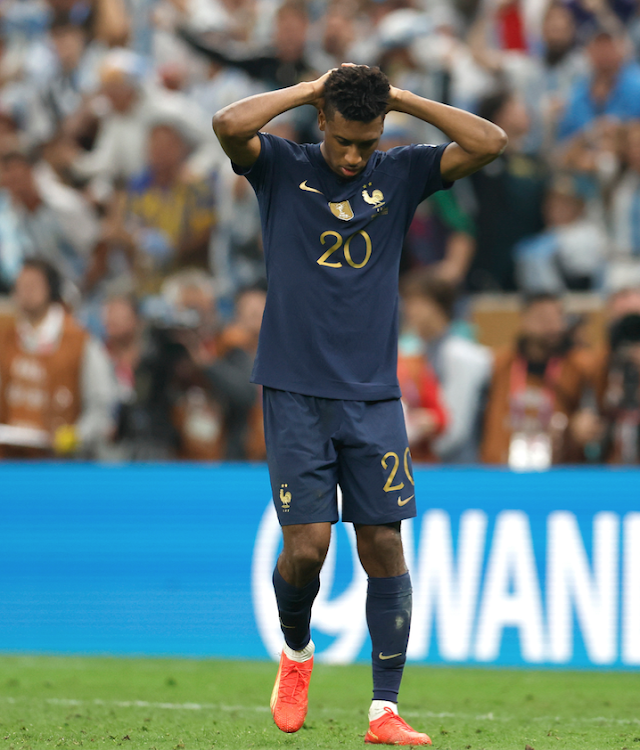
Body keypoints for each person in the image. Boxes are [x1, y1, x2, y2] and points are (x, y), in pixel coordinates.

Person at [212, 63, 506, 744]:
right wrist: (313, 87)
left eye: (366, 143)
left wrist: (398, 98)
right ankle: (296, 651)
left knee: (382, 541)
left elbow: (489, 142)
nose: (352, 156)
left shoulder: (399, 172)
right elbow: (228, 124)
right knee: (308, 550)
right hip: (293, 387)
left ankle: (384, 711)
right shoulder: (281, 166)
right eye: (343, 141)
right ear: (322, 124)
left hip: (372, 393)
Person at [0, 259, 116, 459]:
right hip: (9, 459)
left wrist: (78, 435)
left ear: (51, 289)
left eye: (33, 285)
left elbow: (102, 403)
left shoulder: (80, 341)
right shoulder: (5, 335)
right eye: (21, 285)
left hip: (60, 462)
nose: (25, 291)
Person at [401, 271, 493, 463]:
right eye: (407, 302)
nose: (409, 310)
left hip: (458, 470)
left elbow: (455, 430)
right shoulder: (415, 352)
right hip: (426, 461)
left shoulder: (462, 355)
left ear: (438, 306)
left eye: (417, 303)